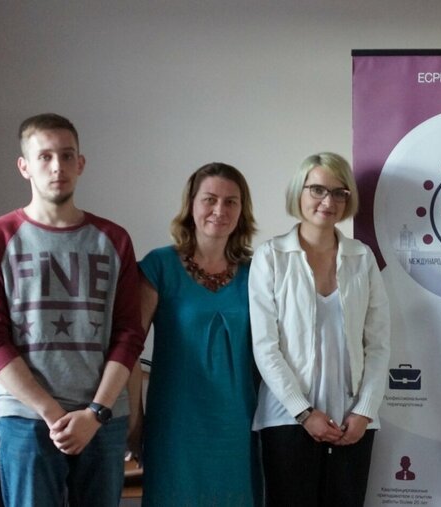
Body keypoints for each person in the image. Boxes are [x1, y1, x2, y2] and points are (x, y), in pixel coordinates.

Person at [0, 113, 144, 506]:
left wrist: (95, 413)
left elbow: (129, 334)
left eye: (66, 155)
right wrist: (51, 413)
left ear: (81, 163)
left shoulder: (113, 239)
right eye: (44, 156)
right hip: (26, 419)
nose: (57, 166)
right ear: (24, 166)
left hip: (102, 420)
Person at [249, 152, 390, 506]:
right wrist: (303, 412)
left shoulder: (362, 257)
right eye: (317, 190)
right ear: (299, 191)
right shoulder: (271, 256)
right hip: (287, 418)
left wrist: (365, 410)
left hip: (352, 422)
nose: (328, 201)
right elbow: (265, 346)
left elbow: (378, 344)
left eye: (339, 192)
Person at [127, 163, 261, 506]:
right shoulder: (159, 266)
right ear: (191, 204)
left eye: (231, 201)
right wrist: (135, 421)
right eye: (210, 199)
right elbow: (128, 350)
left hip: (238, 424)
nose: (220, 210)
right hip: (174, 424)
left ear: (242, 210)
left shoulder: (258, 272)